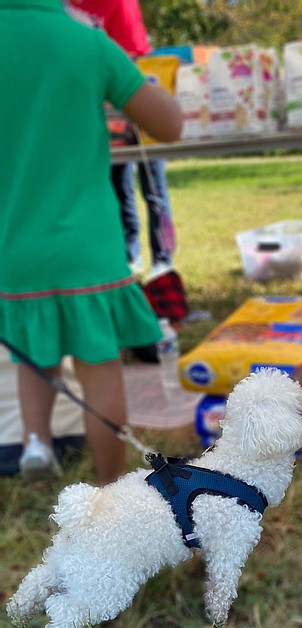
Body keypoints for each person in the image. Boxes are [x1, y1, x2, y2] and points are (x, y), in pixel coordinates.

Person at [0, 0, 183, 484]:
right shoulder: (88, 41)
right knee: (99, 367)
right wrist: (154, 88)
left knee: (32, 354)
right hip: (87, 243)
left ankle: (36, 441)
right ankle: (111, 481)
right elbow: (168, 125)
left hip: (14, 244)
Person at [69, 0, 176, 279]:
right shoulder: (65, 7)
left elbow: (133, 53)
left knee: (153, 185)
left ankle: (163, 258)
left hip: (134, 88)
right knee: (118, 183)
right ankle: (129, 254)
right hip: (103, 101)